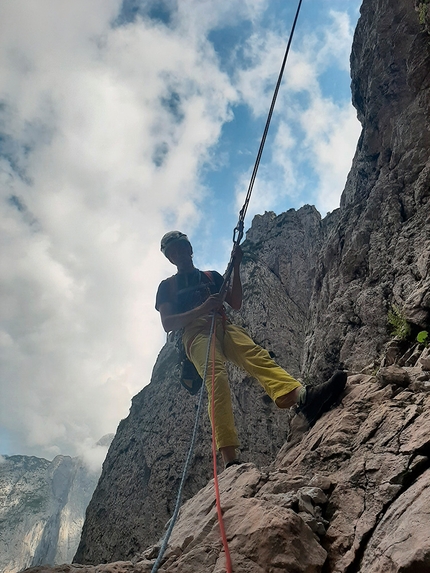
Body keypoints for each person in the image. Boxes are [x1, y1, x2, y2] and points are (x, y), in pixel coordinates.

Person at [155, 231, 347, 468]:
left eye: (181, 248)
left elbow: (235, 302)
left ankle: (300, 396)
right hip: (194, 334)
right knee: (217, 379)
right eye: (173, 252)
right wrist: (203, 308)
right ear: (170, 258)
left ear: (189, 249)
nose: (179, 254)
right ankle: (229, 458)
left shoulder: (211, 277)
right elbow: (168, 323)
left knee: (256, 355)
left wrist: (236, 267)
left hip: (223, 325)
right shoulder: (167, 287)